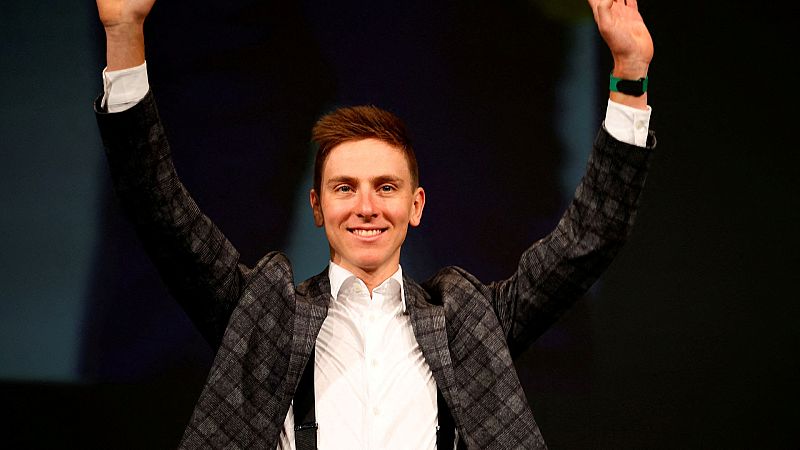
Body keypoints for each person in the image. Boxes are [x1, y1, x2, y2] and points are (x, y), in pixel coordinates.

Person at [94, 0, 655, 448]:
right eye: (345, 188)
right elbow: (159, 211)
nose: (366, 207)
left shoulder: (468, 322)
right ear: (318, 207)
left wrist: (629, 74)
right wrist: (124, 35)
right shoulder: (263, 315)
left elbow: (588, 239)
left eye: (386, 187)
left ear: (416, 205)